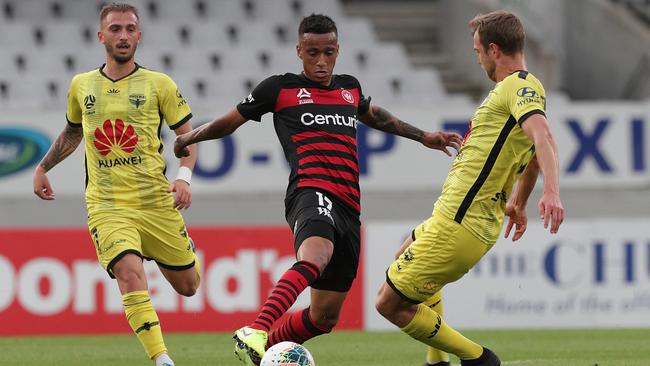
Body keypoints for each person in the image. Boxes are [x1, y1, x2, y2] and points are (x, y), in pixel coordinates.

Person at [173, 13, 462, 366]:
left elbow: (376, 116)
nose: (321, 61)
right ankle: (257, 329)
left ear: (337, 50)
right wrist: (189, 136)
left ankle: (261, 351)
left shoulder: (349, 88)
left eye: (328, 52)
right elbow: (228, 122)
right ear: (299, 51)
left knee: (324, 318)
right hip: (309, 191)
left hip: (349, 206)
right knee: (315, 257)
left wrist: (424, 136)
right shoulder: (279, 89)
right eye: (312, 52)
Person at [374, 10, 564, 366]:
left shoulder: (518, 86)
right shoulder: (518, 92)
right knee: (404, 256)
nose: (477, 60)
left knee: (388, 303)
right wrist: (520, 203)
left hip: (461, 223)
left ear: (494, 50)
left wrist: (551, 193)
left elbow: (544, 137)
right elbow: (534, 156)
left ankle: (478, 358)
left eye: (477, 51)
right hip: (458, 217)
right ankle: (437, 361)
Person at [32, 3, 200, 366]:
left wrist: (183, 177)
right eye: (115, 29)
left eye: (129, 29)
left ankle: (176, 245)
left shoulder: (160, 84)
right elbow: (73, 132)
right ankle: (162, 359)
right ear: (101, 36)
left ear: (138, 35)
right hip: (107, 205)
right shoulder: (81, 85)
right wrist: (43, 167)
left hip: (156, 202)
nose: (122, 36)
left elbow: (188, 138)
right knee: (127, 269)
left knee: (189, 286)